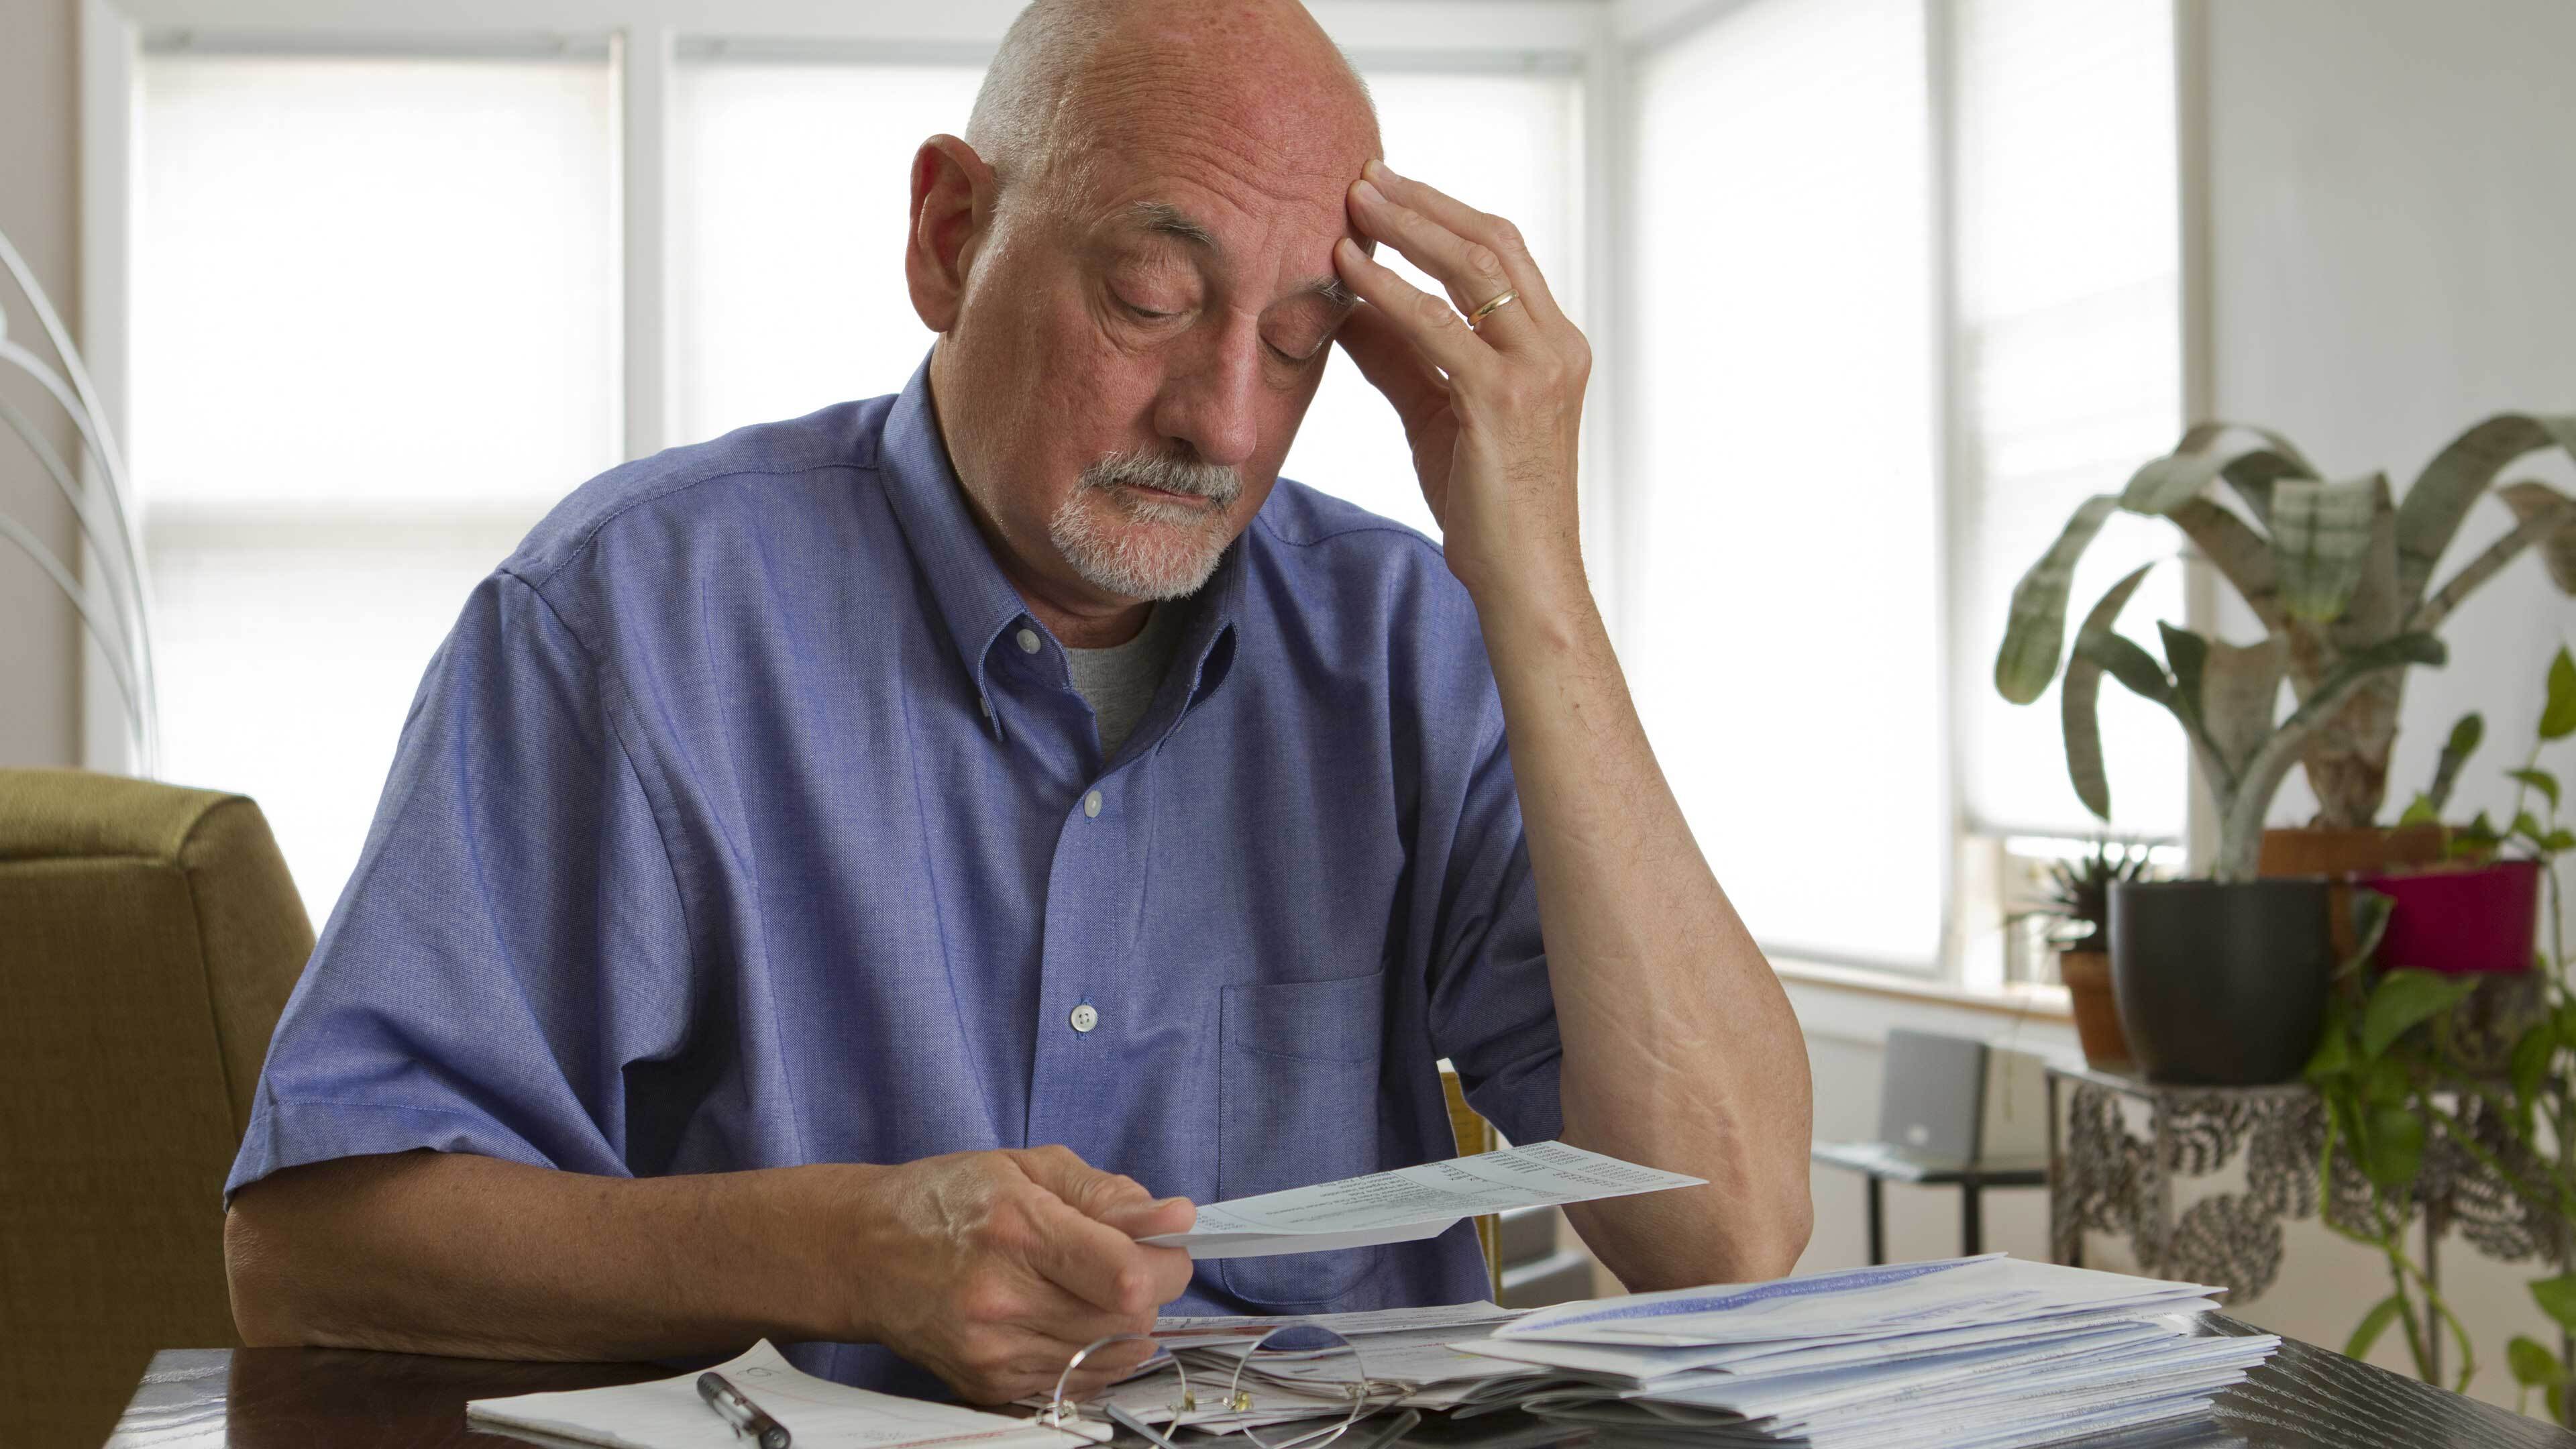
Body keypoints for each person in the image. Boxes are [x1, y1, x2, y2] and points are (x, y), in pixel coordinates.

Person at [219, 0, 1813, 1406]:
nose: (1223, 423)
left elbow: (1729, 1233)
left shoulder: (1407, 641)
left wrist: (1538, 584)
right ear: (950, 237)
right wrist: (844, 1252)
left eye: (1296, 343)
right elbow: (309, 1254)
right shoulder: (631, 619)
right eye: (1151, 297)